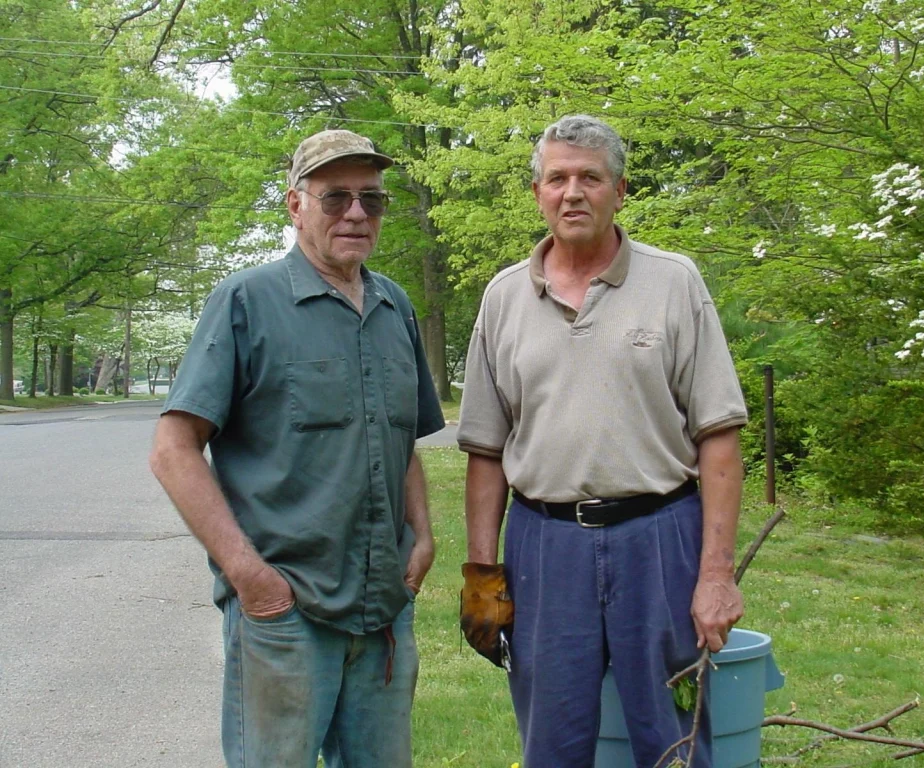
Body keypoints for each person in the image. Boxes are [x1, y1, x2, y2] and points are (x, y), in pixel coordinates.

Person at [456, 115, 748, 768]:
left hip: (662, 540)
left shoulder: (675, 283)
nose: (573, 192)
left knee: (674, 742)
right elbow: (485, 452)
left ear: (620, 191)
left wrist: (715, 574)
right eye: (557, 178)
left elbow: (720, 438)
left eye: (591, 177)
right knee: (551, 746)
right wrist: (482, 578)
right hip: (544, 547)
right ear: (537, 193)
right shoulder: (504, 298)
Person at [149, 129, 445, 768]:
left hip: (384, 606)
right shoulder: (245, 303)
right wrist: (248, 575)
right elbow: (173, 450)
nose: (357, 214)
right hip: (287, 612)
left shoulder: (396, 307)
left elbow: (402, 438)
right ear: (295, 205)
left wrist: (422, 536)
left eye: (372, 199)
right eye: (335, 197)